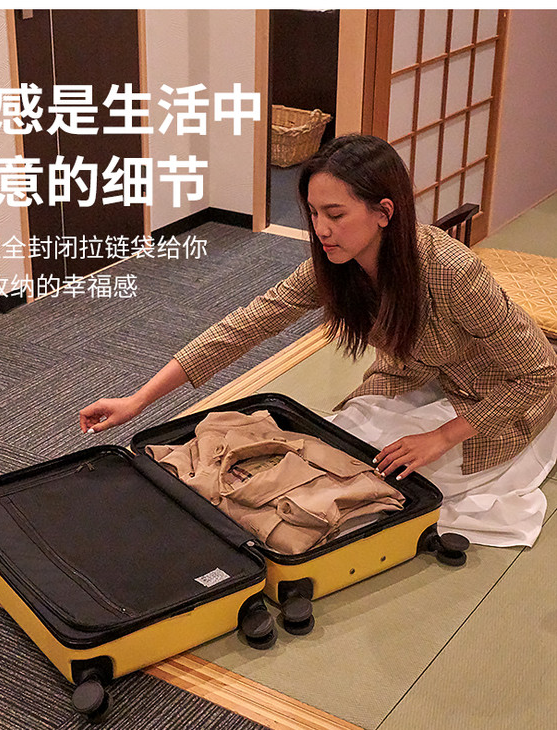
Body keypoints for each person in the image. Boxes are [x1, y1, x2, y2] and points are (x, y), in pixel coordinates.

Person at [80, 134, 557, 547]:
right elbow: (246, 325)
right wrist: (138, 400)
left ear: (384, 212)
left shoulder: (451, 271)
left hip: (496, 396)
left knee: (394, 490)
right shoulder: (335, 263)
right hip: (413, 379)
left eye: (335, 214)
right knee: (339, 453)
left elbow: (539, 373)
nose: (320, 229)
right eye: (312, 212)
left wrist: (441, 437)